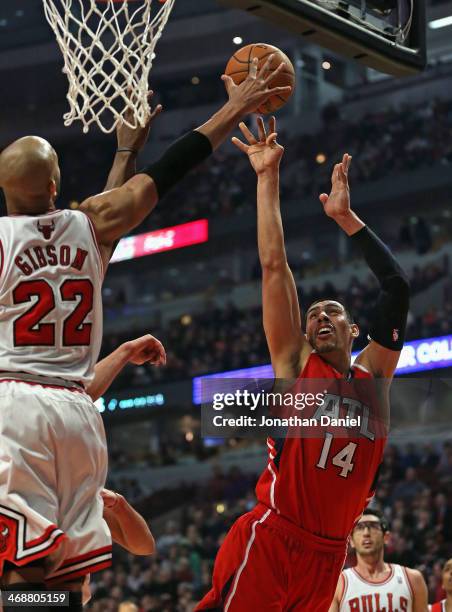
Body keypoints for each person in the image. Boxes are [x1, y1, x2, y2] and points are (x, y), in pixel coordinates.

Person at [0, 58, 291, 611]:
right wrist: (228, 110)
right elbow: (165, 173)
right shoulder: (89, 225)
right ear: (56, 185)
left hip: (14, 406)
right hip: (79, 416)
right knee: (67, 576)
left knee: (23, 568)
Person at [197, 117, 410, 611]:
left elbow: (396, 287)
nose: (319, 318)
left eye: (331, 312)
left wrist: (346, 219)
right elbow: (274, 265)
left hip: (330, 553)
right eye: (312, 315)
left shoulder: (373, 379)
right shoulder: (295, 364)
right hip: (274, 536)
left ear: (355, 331)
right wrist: (266, 176)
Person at [328, 509, 428, 612]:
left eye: (373, 526)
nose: (366, 533)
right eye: (360, 528)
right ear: (351, 541)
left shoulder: (412, 579)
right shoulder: (338, 583)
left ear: (386, 537)